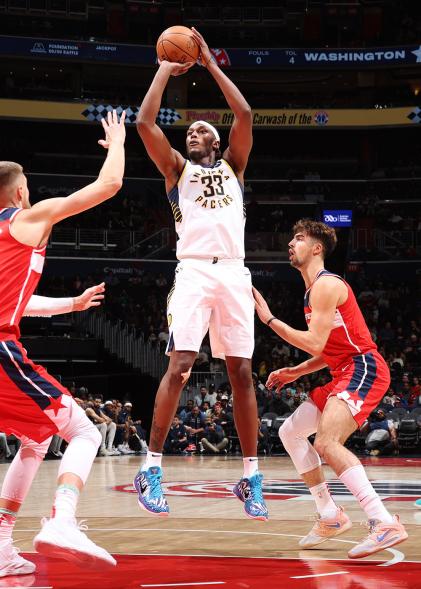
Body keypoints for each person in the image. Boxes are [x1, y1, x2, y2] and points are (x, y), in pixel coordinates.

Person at [133, 28, 267, 520]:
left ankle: (251, 476)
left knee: (242, 373)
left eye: (203, 130)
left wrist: (210, 64)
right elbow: (146, 121)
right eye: (190, 130)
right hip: (192, 272)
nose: (195, 132)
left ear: (218, 141)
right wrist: (166, 69)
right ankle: (151, 466)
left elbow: (246, 115)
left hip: (234, 273)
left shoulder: (235, 165)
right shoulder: (175, 171)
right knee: (181, 364)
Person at [0, 109, 125, 577]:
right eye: (27, 184)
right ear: (19, 192)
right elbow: (108, 186)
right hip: (2, 350)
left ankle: (2, 546)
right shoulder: (27, 219)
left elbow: (19, 304)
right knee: (86, 432)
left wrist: (70, 305)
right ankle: (62, 519)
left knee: (34, 440)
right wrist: (116, 143)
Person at [253, 219, 407, 558]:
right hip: (343, 370)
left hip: (363, 367)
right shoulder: (311, 293)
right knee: (291, 432)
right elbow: (326, 350)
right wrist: (295, 371)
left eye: (299, 238)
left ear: (317, 248)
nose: (291, 243)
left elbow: (314, 341)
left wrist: (268, 319)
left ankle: (383, 522)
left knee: (325, 442)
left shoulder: (326, 285)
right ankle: (329, 515)